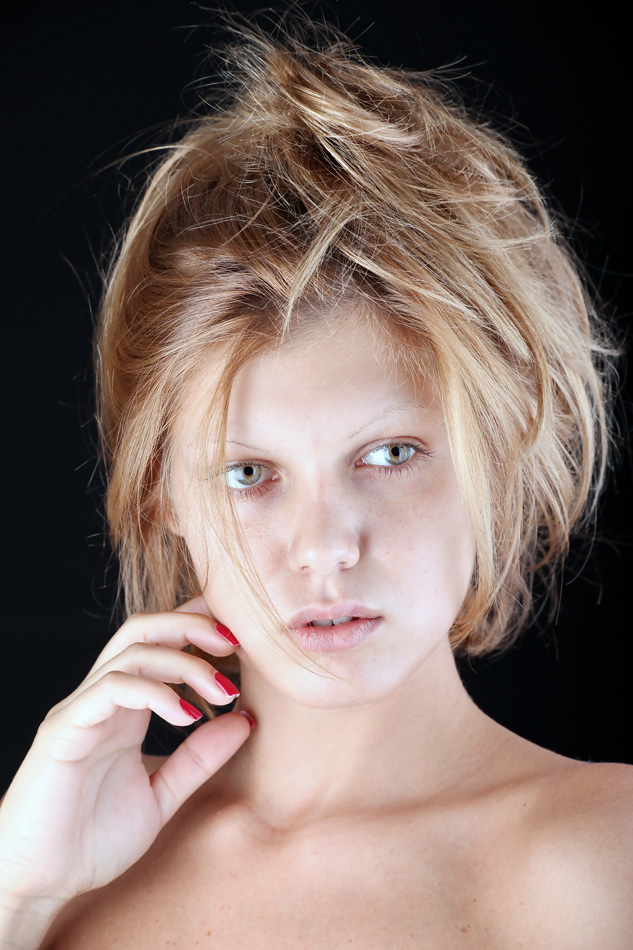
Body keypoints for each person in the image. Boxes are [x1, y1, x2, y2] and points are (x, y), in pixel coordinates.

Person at [1, 17, 631, 949]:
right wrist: (17, 895)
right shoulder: (61, 870)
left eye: (390, 454)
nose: (326, 547)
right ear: (162, 495)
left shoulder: (608, 858)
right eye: (249, 473)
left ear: (495, 455)